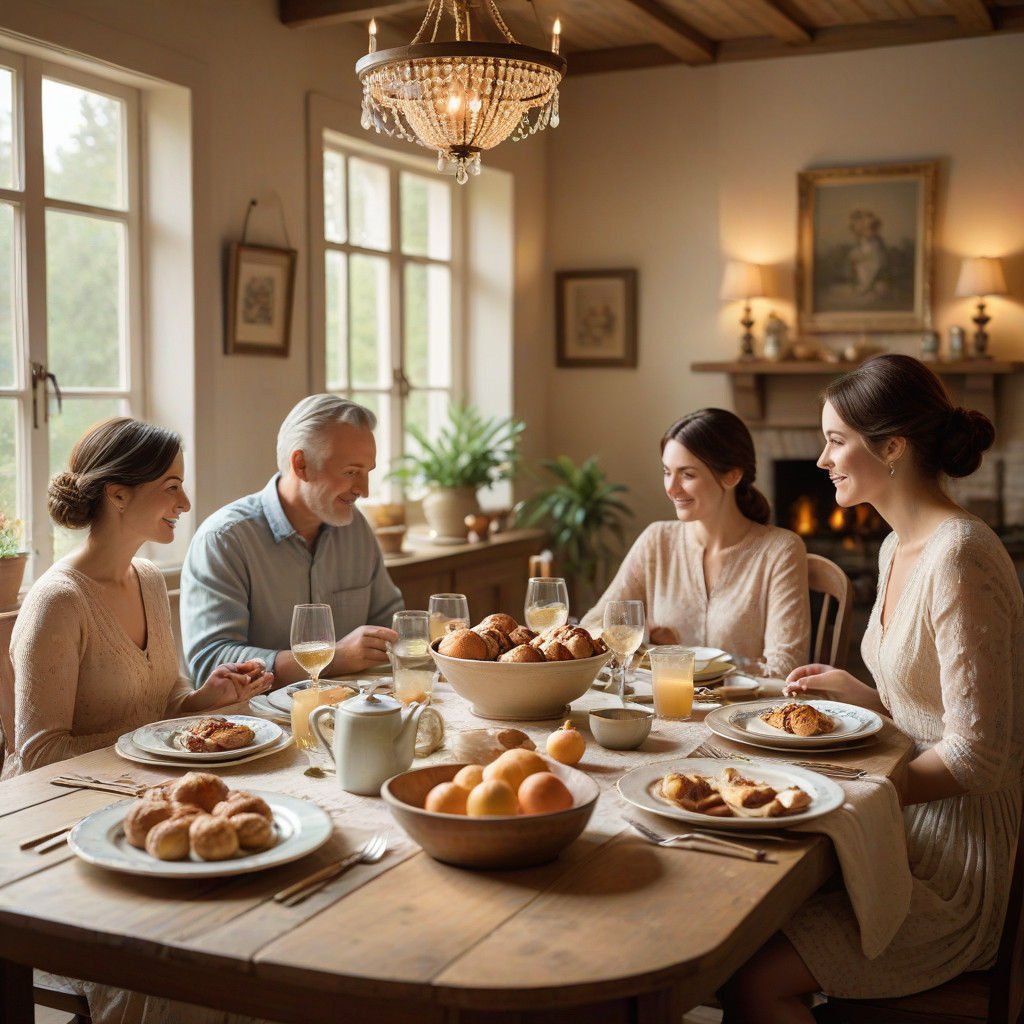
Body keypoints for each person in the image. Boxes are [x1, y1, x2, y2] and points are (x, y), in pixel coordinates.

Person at [721, 354, 1024, 1023]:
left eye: (835, 441)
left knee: (750, 980)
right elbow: (935, 706)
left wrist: (856, 792)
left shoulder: (960, 555)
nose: (822, 458)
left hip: (953, 864)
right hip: (901, 828)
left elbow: (983, 754)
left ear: (892, 447)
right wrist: (863, 695)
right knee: (729, 922)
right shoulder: (894, 548)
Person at [2, 416, 271, 778]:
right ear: (118, 495)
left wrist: (204, 698)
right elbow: (41, 756)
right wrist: (150, 739)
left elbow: (163, 701)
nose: (186, 503)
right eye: (172, 486)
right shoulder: (59, 601)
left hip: (145, 785)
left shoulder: (149, 579)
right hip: (65, 806)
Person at [181, 395, 403, 687]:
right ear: (301, 465)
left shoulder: (355, 528)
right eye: (351, 472)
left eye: (367, 473)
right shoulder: (224, 540)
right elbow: (210, 663)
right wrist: (334, 657)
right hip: (258, 727)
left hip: (350, 715)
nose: (364, 490)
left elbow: (389, 625)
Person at [580, 408, 810, 679]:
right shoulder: (657, 540)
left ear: (732, 476)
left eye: (687, 475)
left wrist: (679, 656)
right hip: (660, 708)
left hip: (744, 717)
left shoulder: (780, 550)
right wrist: (649, 648)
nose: (672, 488)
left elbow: (785, 670)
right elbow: (594, 628)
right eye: (667, 472)